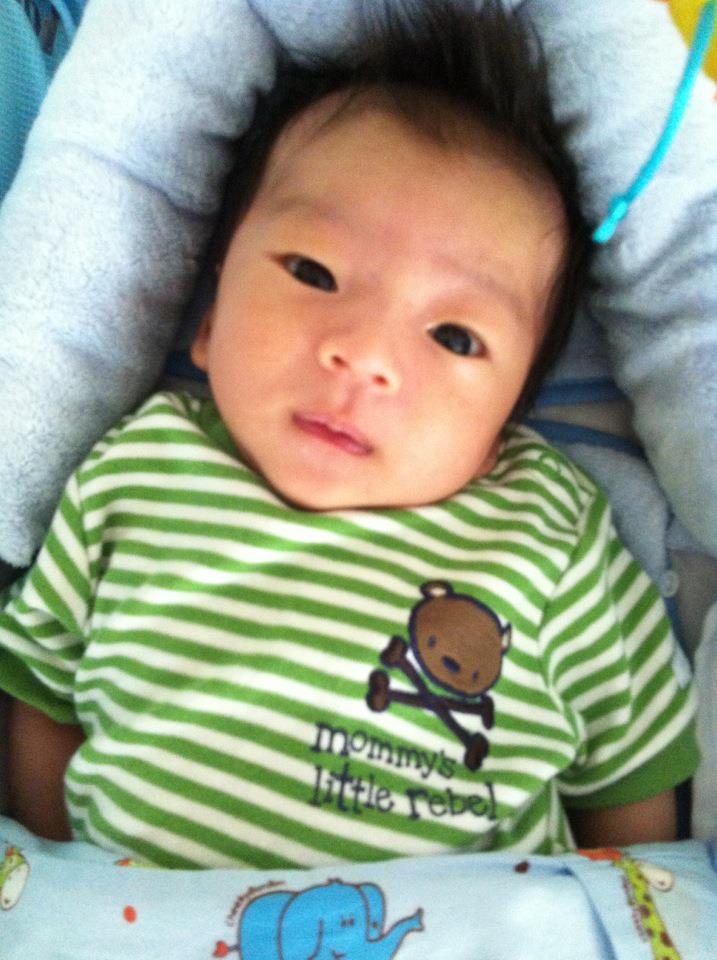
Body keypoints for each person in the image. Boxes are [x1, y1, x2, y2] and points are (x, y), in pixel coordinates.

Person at [0, 1, 698, 869]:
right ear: (208, 319)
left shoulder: (550, 531)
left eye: (454, 337)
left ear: (503, 422)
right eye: (314, 272)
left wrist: (630, 911)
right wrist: (57, 880)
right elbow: (42, 689)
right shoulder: (135, 466)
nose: (363, 355)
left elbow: (630, 769)